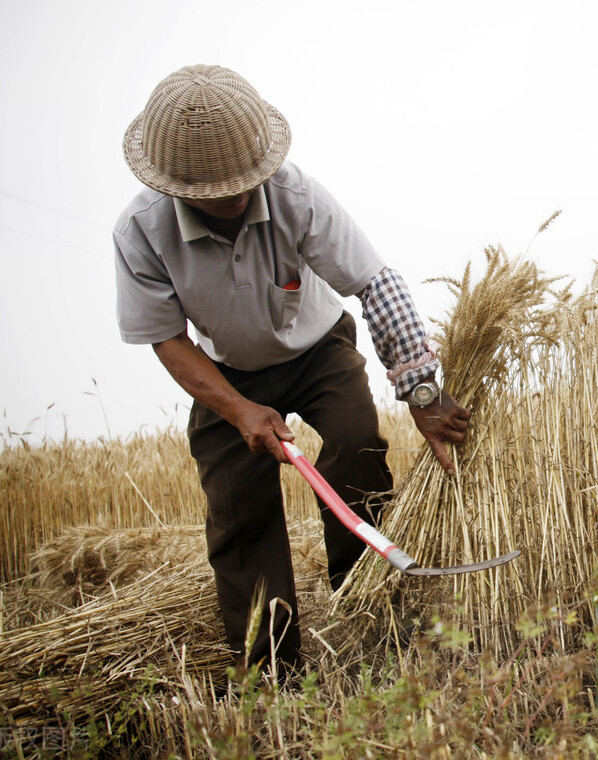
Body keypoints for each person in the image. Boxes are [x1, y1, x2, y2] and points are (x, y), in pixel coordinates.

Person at [112, 64, 470, 674]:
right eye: (215, 192)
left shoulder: (295, 193)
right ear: (177, 188)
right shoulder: (140, 231)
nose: (235, 197)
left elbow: (374, 282)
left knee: (356, 446)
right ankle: (273, 676)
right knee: (237, 510)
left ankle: (368, 615)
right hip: (226, 374)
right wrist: (239, 410)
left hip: (317, 350)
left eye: (244, 184)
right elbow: (167, 339)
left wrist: (423, 389)